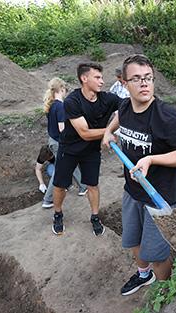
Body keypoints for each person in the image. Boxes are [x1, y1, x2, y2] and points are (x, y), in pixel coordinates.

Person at [103, 54, 176, 296]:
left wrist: (151, 159)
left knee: (156, 255)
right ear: (124, 84)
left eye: (148, 78)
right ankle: (144, 276)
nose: (144, 84)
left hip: (160, 197)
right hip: (132, 191)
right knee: (132, 240)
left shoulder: (168, 116)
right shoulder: (124, 106)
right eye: (136, 79)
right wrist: (108, 132)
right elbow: (119, 118)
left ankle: (163, 292)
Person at [51, 62, 122, 237]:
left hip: (91, 151)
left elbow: (129, 106)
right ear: (84, 79)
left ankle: (95, 217)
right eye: (97, 77)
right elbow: (85, 133)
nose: (102, 81)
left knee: (93, 184)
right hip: (69, 149)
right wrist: (110, 131)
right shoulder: (72, 101)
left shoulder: (107, 99)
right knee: (60, 185)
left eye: (102, 77)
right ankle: (58, 214)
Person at [42, 78, 87, 208]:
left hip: (54, 140)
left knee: (71, 163)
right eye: (65, 90)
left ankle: (83, 187)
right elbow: (62, 129)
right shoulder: (60, 106)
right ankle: (48, 199)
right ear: (62, 89)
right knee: (59, 170)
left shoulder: (51, 105)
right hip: (59, 142)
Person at [110, 65, 130, 178]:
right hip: (119, 120)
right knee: (123, 146)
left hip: (130, 120)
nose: (118, 78)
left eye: (119, 76)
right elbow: (110, 93)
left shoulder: (131, 85)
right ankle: (127, 169)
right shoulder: (118, 84)